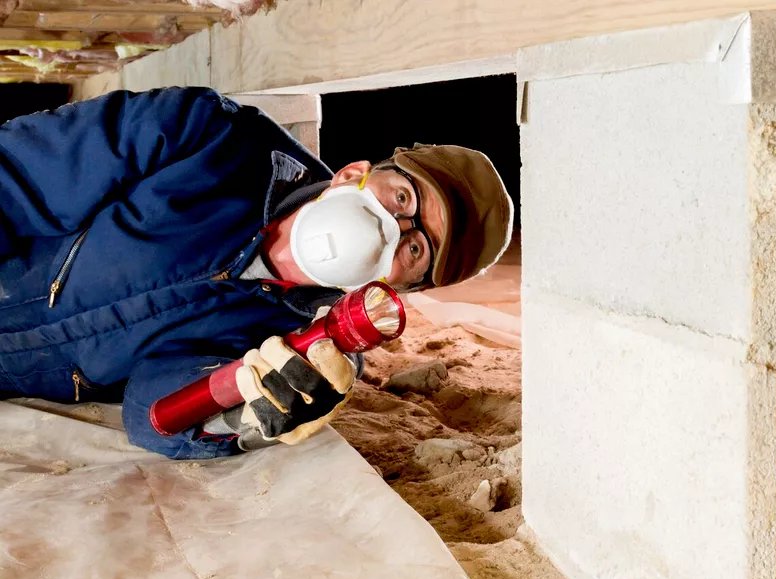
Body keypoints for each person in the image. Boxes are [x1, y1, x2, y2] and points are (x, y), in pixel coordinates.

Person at [0, 86, 513, 459]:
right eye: (403, 198)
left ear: (399, 286)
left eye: (417, 248)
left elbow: (150, 412)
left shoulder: (311, 350)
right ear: (355, 173)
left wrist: (238, 411)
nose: (392, 229)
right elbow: (19, 175)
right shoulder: (207, 137)